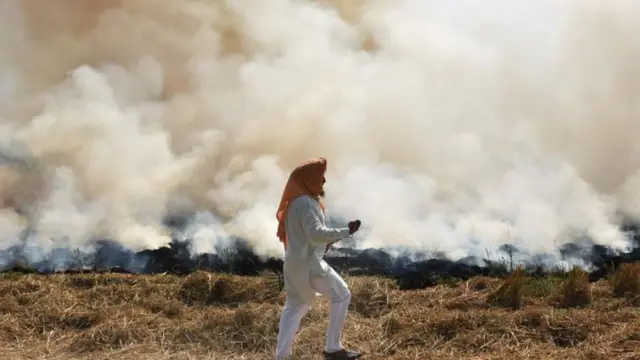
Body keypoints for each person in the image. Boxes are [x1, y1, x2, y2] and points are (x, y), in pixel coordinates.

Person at [274, 157, 362, 360]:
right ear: (308, 180)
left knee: (295, 306)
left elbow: (306, 235)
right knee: (342, 294)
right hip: (309, 265)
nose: (323, 182)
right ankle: (333, 349)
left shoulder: (297, 202)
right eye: (320, 177)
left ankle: (282, 357)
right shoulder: (305, 203)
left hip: (295, 264)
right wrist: (345, 231)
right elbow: (315, 232)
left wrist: (325, 243)